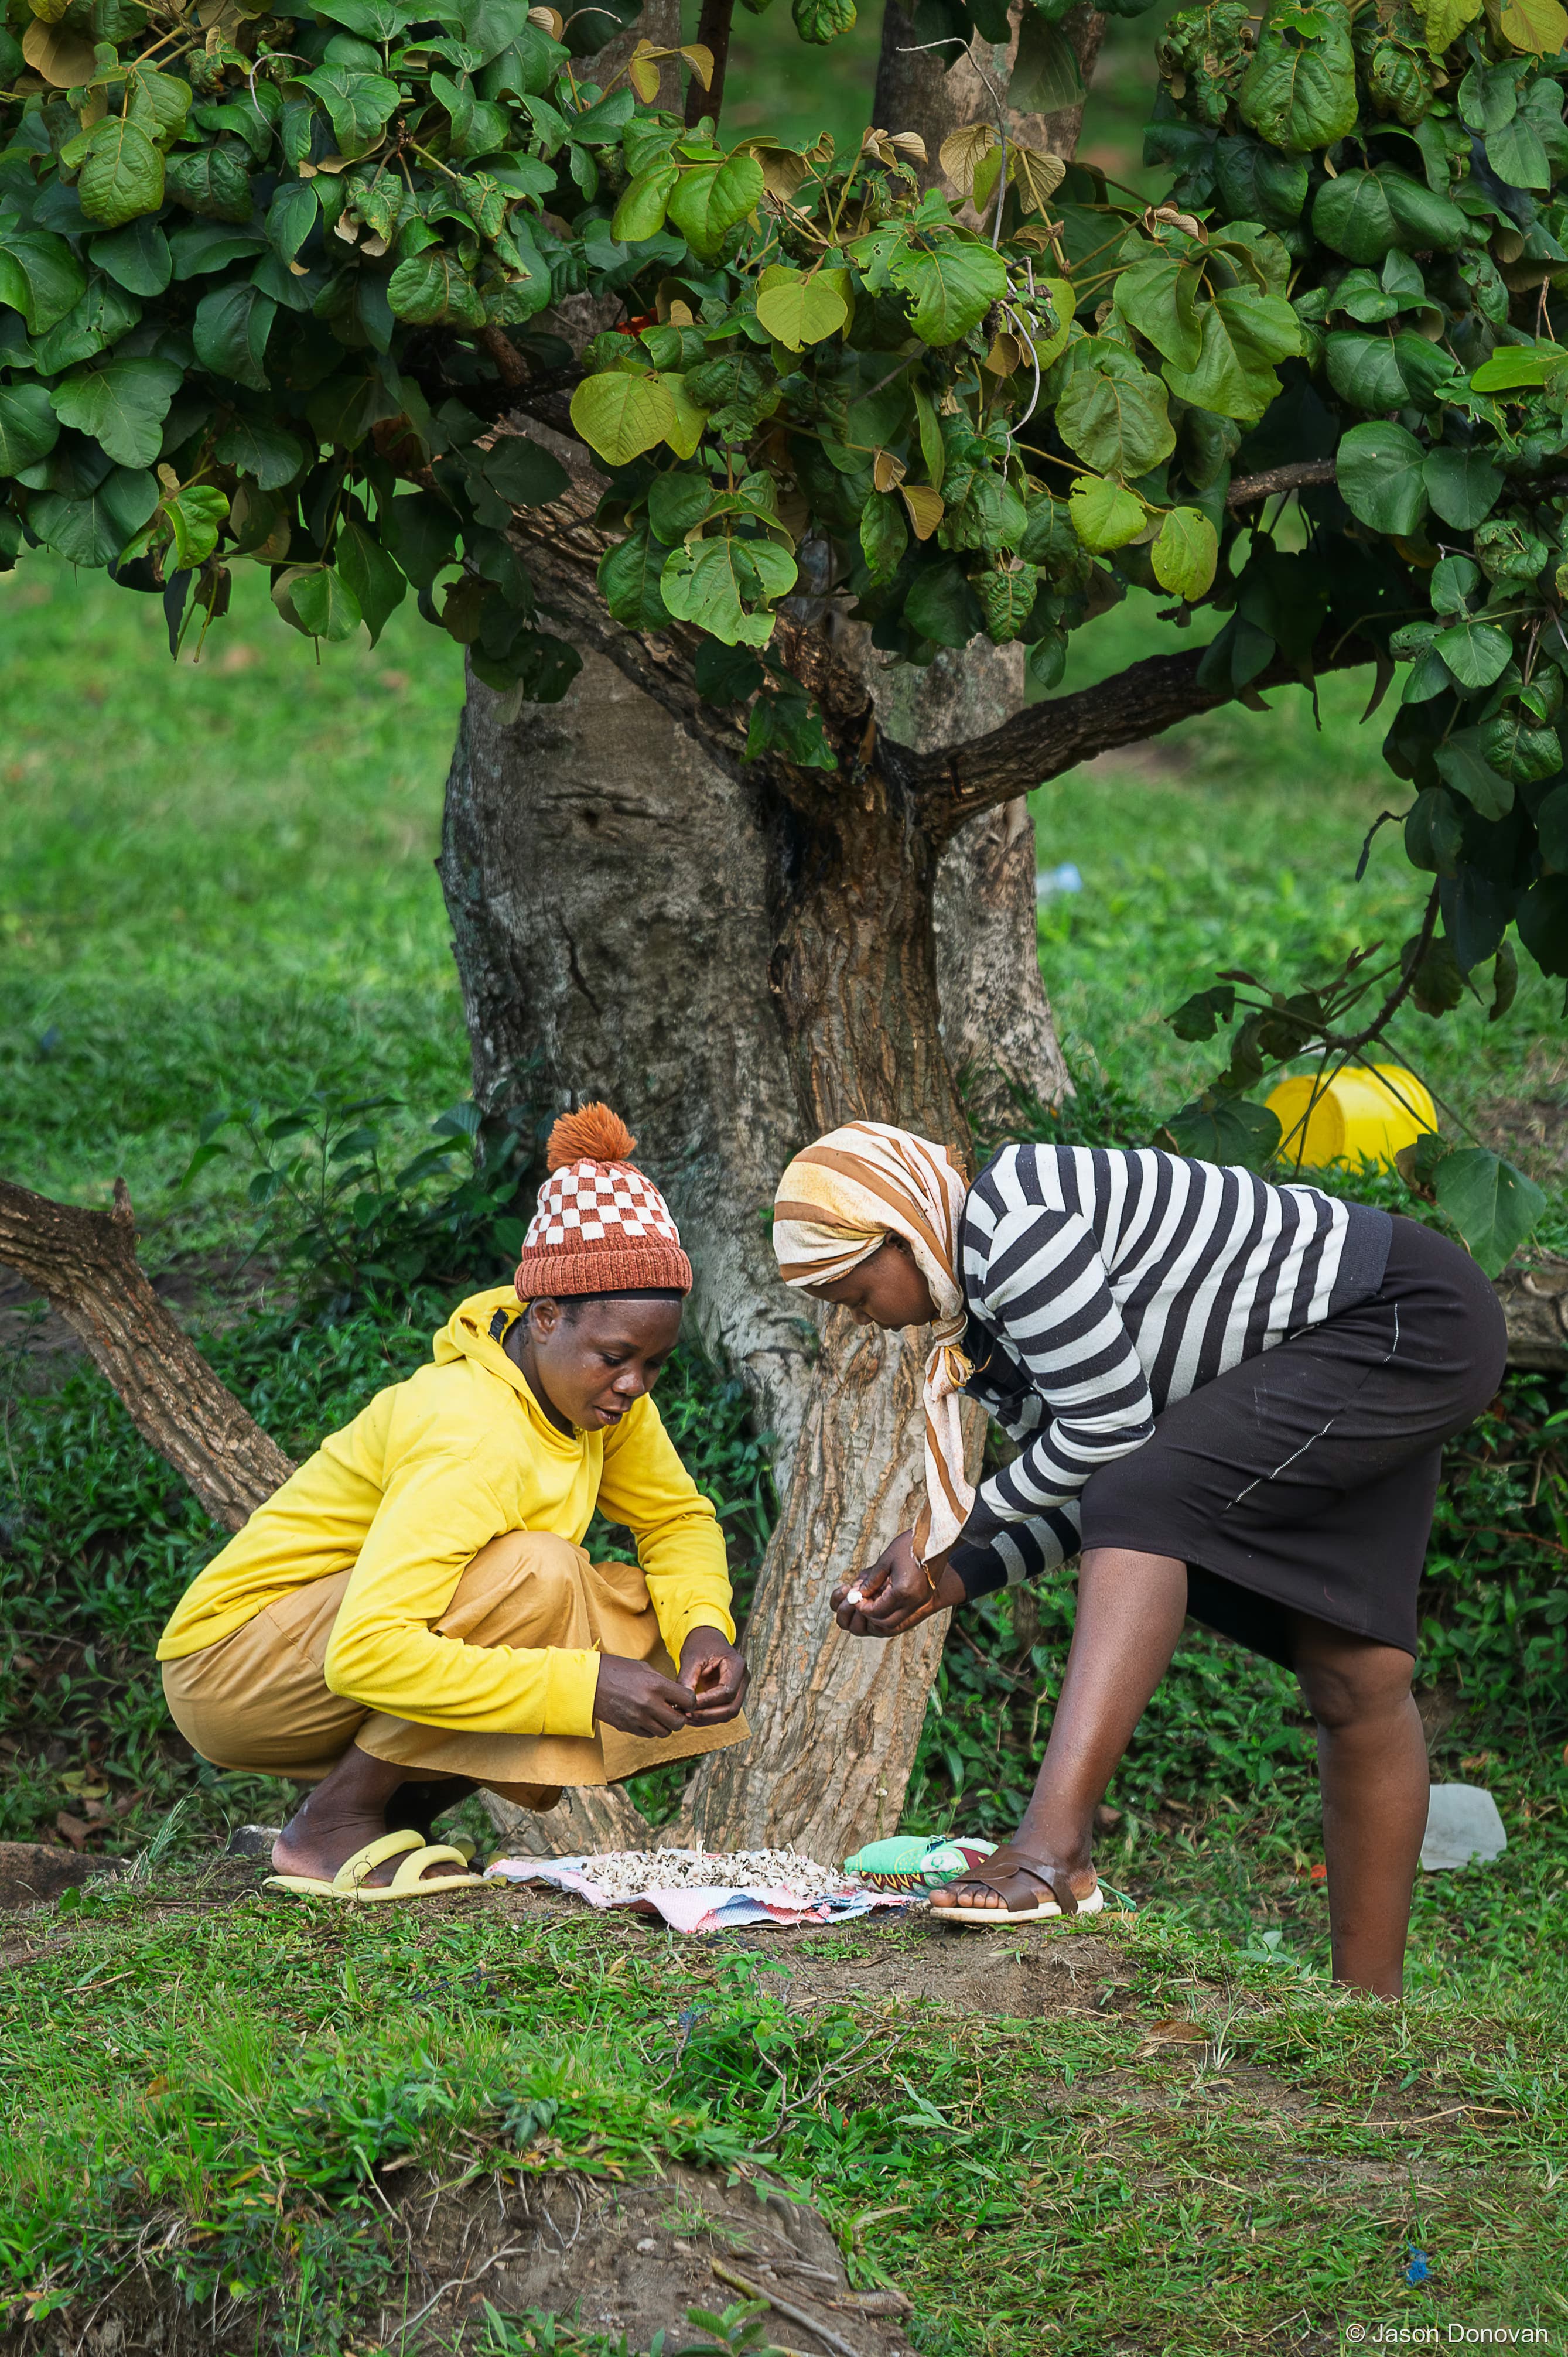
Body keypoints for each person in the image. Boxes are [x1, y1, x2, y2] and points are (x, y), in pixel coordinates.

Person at [771, 1119, 1506, 1996]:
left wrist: (943, 1534)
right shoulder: (987, 1327)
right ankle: (1370, 2015)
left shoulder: (1011, 1227)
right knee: (1353, 1672)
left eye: (858, 1294)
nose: (866, 1320)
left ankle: (1053, 1852)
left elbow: (1111, 1436)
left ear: (900, 1232)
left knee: (1145, 1495)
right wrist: (947, 1578)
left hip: (1401, 1317)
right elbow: (1095, 1499)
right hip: (1350, 1341)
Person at [159, 1104, 749, 1901]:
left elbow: (673, 1518)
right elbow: (365, 1651)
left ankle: (386, 1818)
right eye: (617, 1358)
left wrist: (703, 1629)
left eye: (654, 1364)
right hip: (234, 1671)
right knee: (537, 1576)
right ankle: (329, 1828)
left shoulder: (600, 1396)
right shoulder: (471, 1436)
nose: (635, 1385)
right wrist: (581, 1684)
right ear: (543, 1318)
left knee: (607, 1600)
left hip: (315, 1655)